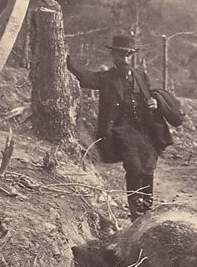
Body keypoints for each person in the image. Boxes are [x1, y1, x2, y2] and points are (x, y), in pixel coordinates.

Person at [67, 33, 166, 220]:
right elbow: (85, 77)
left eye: (128, 55)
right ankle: (136, 212)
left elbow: (150, 94)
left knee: (148, 168)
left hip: (144, 129)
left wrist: (154, 101)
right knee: (134, 167)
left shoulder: (140, 75)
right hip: (122, 130)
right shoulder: (107, 77)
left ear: (132, 55)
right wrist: (67, 59)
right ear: (114, 56)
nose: (125, 59)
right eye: (121, 55)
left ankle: (147, 207)